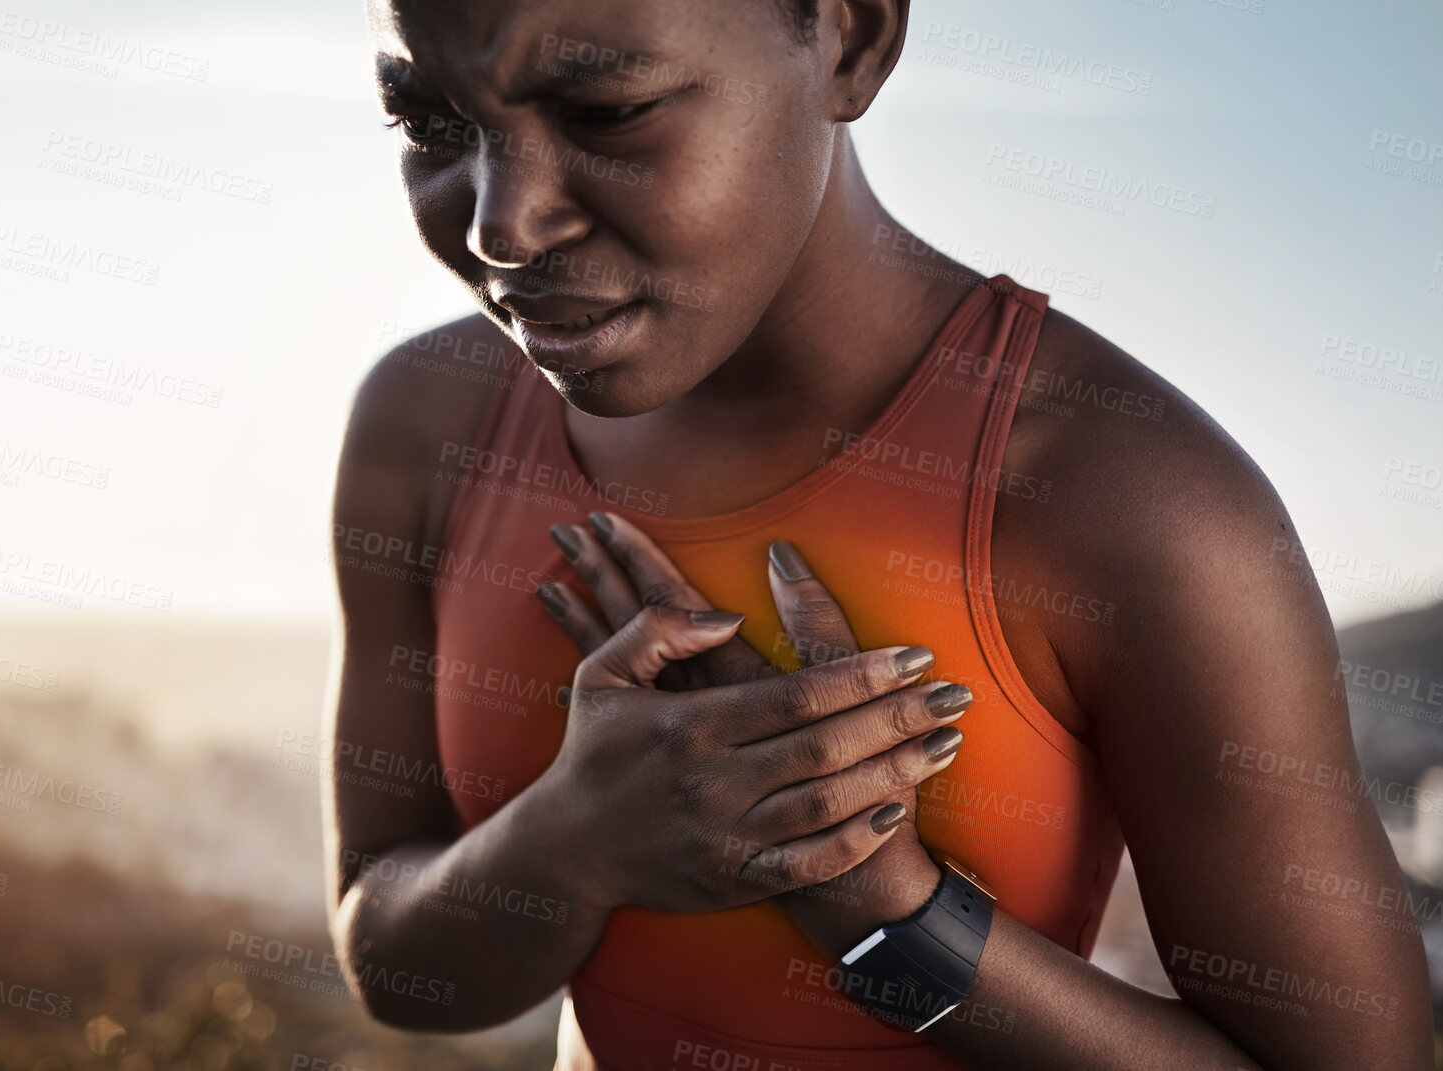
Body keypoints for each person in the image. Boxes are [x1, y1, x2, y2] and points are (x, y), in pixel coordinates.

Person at [324, 0, 1434, 1067]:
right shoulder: (431, 423)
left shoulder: (1123, 496)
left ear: (852, 37)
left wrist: (882, 911)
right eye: (432, 124)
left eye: (606, 113)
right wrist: (572, 842)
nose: (501, 223)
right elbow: (395, 964)